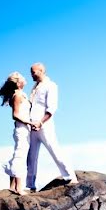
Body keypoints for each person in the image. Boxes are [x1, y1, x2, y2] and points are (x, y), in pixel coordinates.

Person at [26, 62, 76, 191]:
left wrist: (41, 122)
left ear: (41, 71)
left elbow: (52, 108)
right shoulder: (34, 87)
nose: (31, 74)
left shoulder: (51, 86)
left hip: (44, 125)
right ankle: (30, 185)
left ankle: (70, 176)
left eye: (33, 71)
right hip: (31, 126)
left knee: (54, 149)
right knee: (31, 156)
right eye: (31, 72)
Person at [0, 71, 32, 194]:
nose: (25, 78)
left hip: (25, 129)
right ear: (18, 83)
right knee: (20, 156)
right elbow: (15, 115)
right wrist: (30, 123)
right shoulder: (17, 95)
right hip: (21, 129)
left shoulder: (23, 94)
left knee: (19, 154)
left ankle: (12, 186)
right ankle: (19, 188)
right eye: (22, 78)